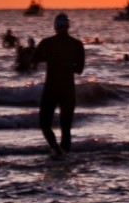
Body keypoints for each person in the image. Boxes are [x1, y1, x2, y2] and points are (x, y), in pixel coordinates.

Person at [32, 12, 87, 157]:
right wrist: (67, 66)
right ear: (68, 26)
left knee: (45, 123)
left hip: (51, 88)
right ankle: (65, 156)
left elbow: (34, 59)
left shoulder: (47, 43)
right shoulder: (77, 44)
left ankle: (55, 149)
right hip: (68, 89)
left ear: (55, 27)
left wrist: (48, 59)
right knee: (66, 127)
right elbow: (80, 70)